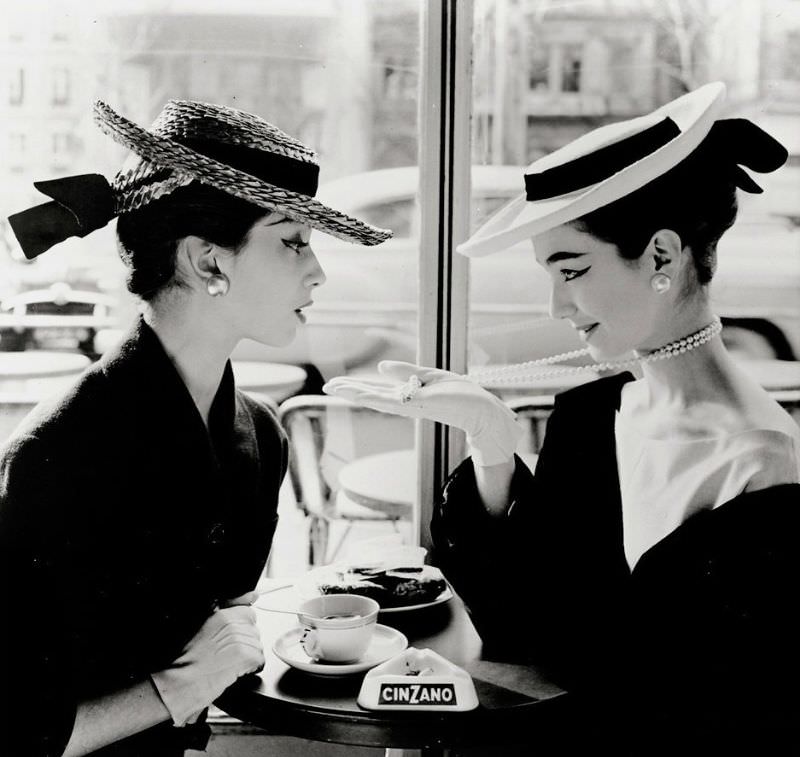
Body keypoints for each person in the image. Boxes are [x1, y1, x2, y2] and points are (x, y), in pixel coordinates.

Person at [323, 82, 800, 752]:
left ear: (662, 256)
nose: (556, 305)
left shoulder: (762, 455)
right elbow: (519, 622)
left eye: (571, 271)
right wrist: (491, 436)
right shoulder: (591, 414)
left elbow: (746, 711)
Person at [0, 99, 390, 757]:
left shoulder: (261, 438)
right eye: (293, 240)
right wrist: (176, 688)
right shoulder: (54, 457)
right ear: (208, 261)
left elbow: (229, 629)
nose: (317, 269)